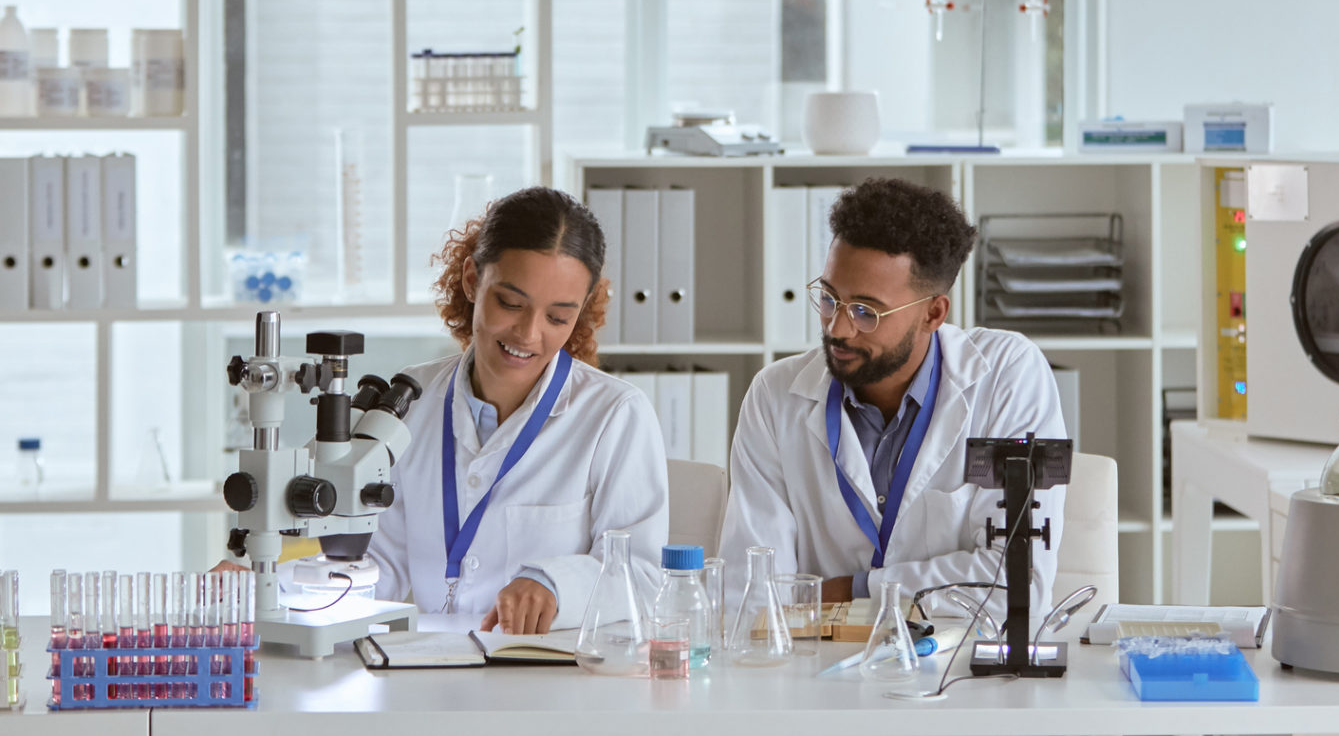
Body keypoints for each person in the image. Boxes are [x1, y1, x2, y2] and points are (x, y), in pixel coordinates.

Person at [717, 178, 1066, 616]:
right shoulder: (774, 396)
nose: (837, 328)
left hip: (957, 657)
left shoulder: (1006, 376)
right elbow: (753, 594)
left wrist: (853, 590)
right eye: (829, 298)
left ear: (933, 313)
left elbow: (1016, 586)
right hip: (816, 655)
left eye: (866, 312)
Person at [366, 186, 669, 633]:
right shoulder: (410, 399)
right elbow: (378, 562)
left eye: (557, 317)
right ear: (472, 280)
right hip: (432, 662)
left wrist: (556, 585)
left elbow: (641, 576)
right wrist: (287, 589)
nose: (528, 334)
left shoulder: (616, 415)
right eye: (511, 303)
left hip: (546, 669)